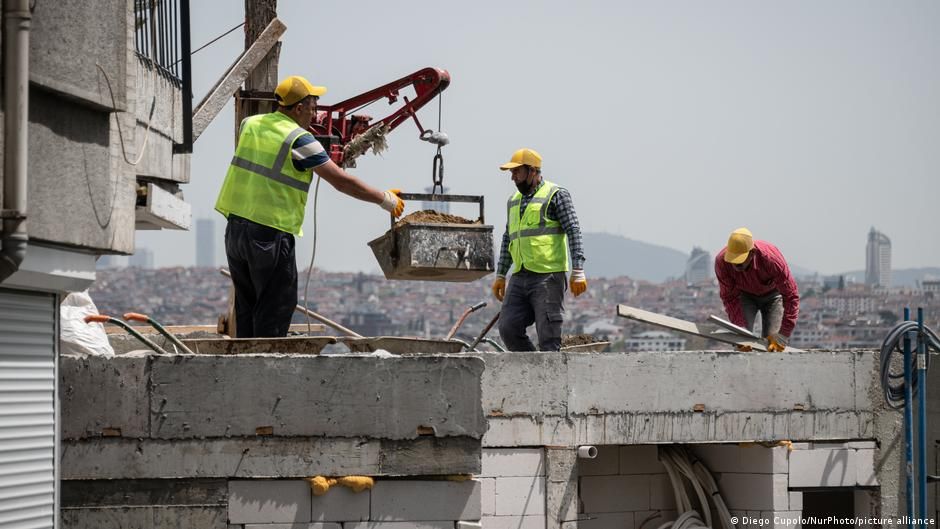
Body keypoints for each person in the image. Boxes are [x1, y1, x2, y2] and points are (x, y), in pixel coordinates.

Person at [215, 75, 405, 338]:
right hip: (269, 235)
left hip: (235, 231)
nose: (316, 113)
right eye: (313, 106)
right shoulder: (300, 140)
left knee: (248, 308)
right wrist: (384, 199)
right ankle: (264, 370)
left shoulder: (251, 124)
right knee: (275, 307)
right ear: (299, 108)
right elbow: (340, 181)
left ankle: (243, 366)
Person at [491, 148, 587, 351]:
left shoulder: (556, 195)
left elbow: (573, 230)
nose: (513, 178)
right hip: (520, 275)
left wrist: (578, 269)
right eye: (512, 173)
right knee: (508, 328)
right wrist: (501, 274)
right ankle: (533, 373)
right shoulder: (513, 201)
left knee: (548, 335)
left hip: (548, 276)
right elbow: (509, 237)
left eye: (517, 172)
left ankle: (550, 379)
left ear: (533, 171)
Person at [714, 227, 800, 352]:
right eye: (732, 260)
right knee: (742, 340)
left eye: (740, 261)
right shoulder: (722, 262)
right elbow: (729, 297)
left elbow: (791, 296)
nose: (735, 265)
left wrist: (784, 334)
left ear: (752, 253)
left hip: (773, 296)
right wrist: (740, 328)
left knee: (772, 344)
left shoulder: (771, 259)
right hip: (744, 296)